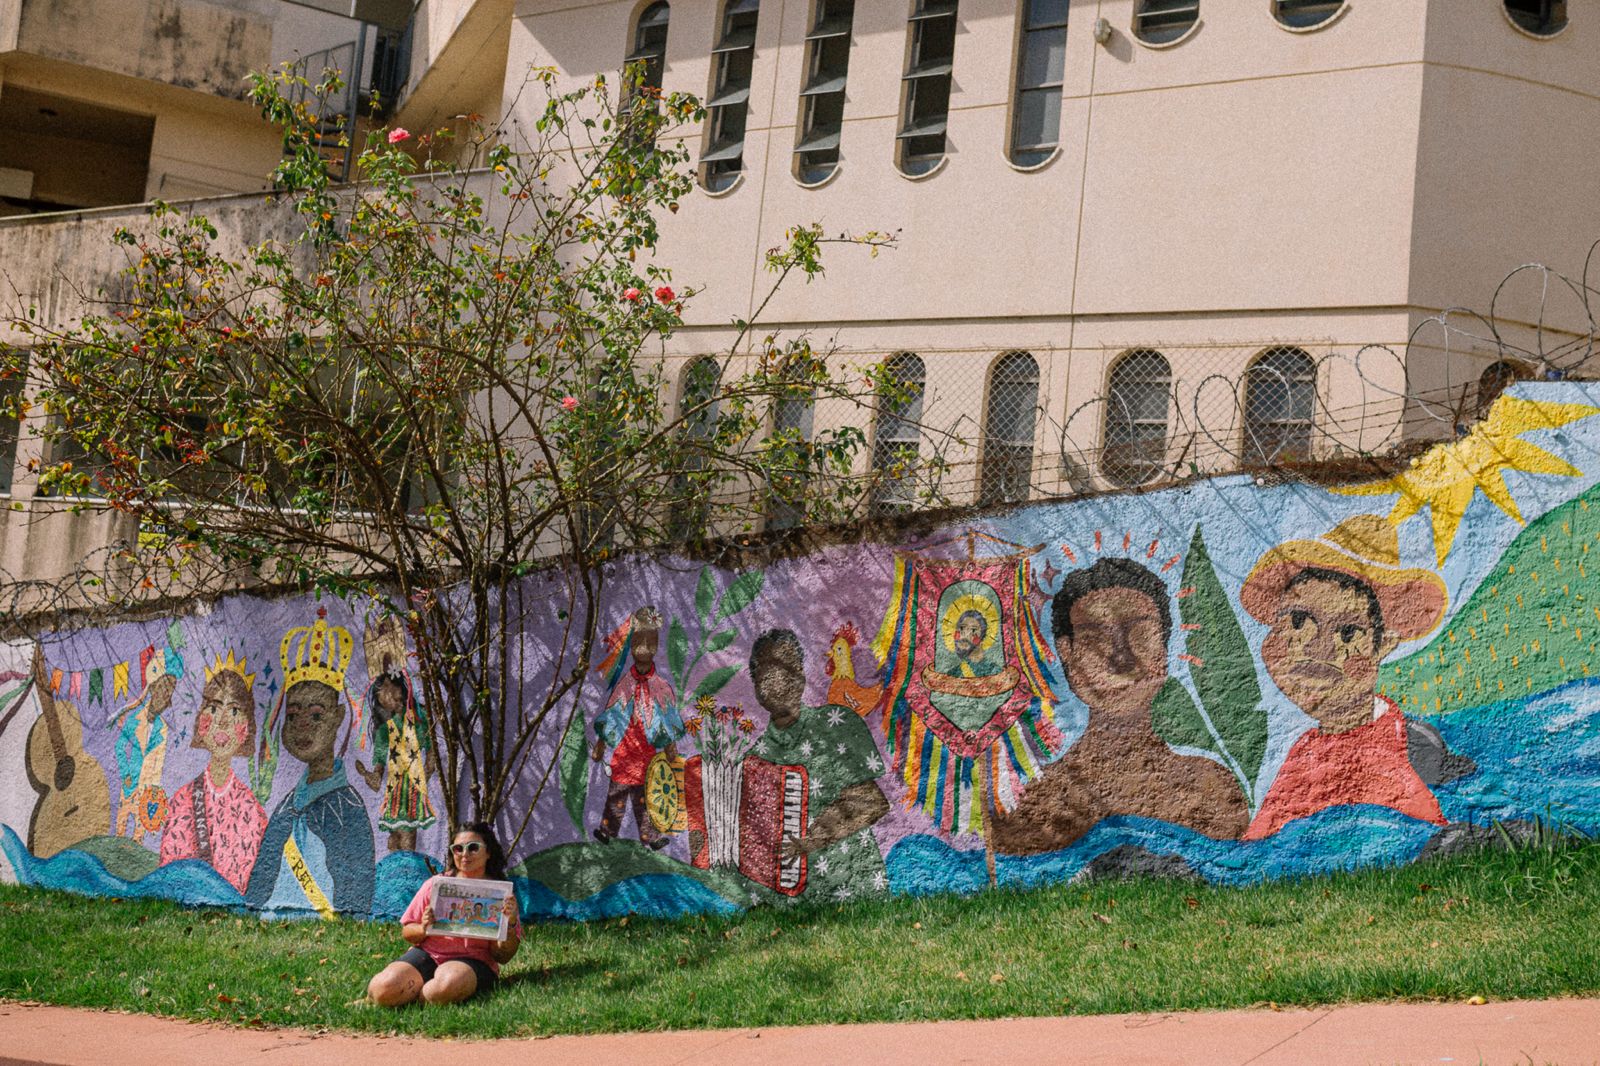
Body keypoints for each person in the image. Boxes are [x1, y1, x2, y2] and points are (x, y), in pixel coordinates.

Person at [988, 557, 1250, 855]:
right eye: (1095, 638)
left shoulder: (1213, 792)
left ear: (1164, 648)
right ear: (1066, 654)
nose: (1120, 657)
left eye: (1138, 633)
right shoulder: (1031, 805)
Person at [1240, 515, 1464, 839]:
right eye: (1299, 621)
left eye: (1348, 632)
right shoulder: (1308, 748)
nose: (1317, 649)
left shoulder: (1385, 754)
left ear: (1382, 646)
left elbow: (1417, 834)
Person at [245, 610, 375, 918]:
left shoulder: (349, 809)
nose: (303, 727)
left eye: (316, 715)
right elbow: (261, 881)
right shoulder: (286, 807)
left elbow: (357, 885)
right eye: (293, 716)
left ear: (338, 717)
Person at [747, 628, 891, 902]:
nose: (778, 680)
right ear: (756, 687)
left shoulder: (837, 724)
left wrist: (810, 840)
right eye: (767, 673)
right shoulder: (755, 759)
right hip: (787, 906)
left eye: (788, 668)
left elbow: (871, 802)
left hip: (853, 895)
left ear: (801, 675)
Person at [367, 822, 521, 1006]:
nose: (465, 854)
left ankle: (415, 997)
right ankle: (393, 996)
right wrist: (424, 928)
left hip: (473, 962)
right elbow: (407, 932)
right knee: (383, 988)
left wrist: (509, 924)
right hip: (429, 954)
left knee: (442, 989)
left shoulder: (500, 895)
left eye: (473, 848)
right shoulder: (436, 885)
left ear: (488, 852)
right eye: (458, 848)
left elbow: (502, 957)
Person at [159, 652, 268, 893]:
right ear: (200, 720)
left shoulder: (252, 811)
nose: (222, 722)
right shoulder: (182, 802)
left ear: (247, 727)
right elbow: (170, 879)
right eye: (214, 708)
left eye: (234, 711)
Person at [590, 607, 685, 848]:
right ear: (631, 646)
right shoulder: (625, 684)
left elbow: (666, 718)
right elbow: (612, 713)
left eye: (650, 641)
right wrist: (601, 744)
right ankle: (607, 831)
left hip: (646, 753)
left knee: (646, 798)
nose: (644, 647)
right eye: (639, 641)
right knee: (617, 793)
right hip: (625, 751)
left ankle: (650, 838)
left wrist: (670, 749)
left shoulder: (660, 686)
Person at [355, 667, 438, 853]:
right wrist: (373, 775)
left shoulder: (419, 718)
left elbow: (432, 750)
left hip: (412, 787)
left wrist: (426, 772)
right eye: (380, 692)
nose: (385, 695)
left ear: (400, 688)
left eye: (388, 687)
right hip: (395, 790)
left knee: (407, 834)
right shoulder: (386, 729)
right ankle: (397, 873)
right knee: (393, 839)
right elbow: (379, 762)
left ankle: (405, 872)